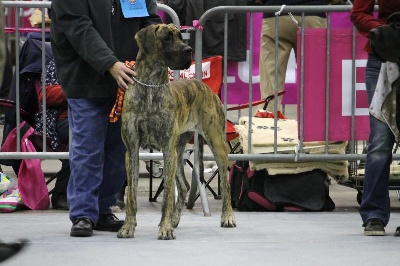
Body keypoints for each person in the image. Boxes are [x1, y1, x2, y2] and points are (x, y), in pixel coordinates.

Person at [50, 0, 162, 237]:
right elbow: (79, 28)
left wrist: (161, 52)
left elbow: (150, 22)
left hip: (127, 80)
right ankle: (83, 213)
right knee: (87, 148)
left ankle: (102, 210)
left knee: (118, 151)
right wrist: (111, 64)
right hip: (85, 80)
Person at [351, 0, 400, 236]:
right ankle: (373, 215)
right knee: (380, 141)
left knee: (380, 143)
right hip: (383, 59)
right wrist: (382, 30)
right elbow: (359, 13)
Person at [258, 0, 327, 113]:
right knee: (315, 75)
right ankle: (315, 122)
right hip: (312, 13)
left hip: (275, 13)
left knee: (270, 76)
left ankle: (268, 122)